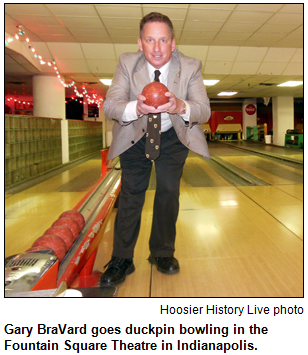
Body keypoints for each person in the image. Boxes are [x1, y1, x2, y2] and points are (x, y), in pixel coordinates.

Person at [101, 12, 211, 285]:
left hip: (173, 136)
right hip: (134, 135)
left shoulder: (191, 66)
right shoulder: (127, 63)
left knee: (168, 192)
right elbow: (111, 105)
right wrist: (134, 107)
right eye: (150, 40)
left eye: (163, 40)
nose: (157, 47)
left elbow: (204, 110)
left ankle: (162, 252)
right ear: (140, 43)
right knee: (131, 194)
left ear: (173, 43)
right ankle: (121, 258)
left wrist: (179, 106)